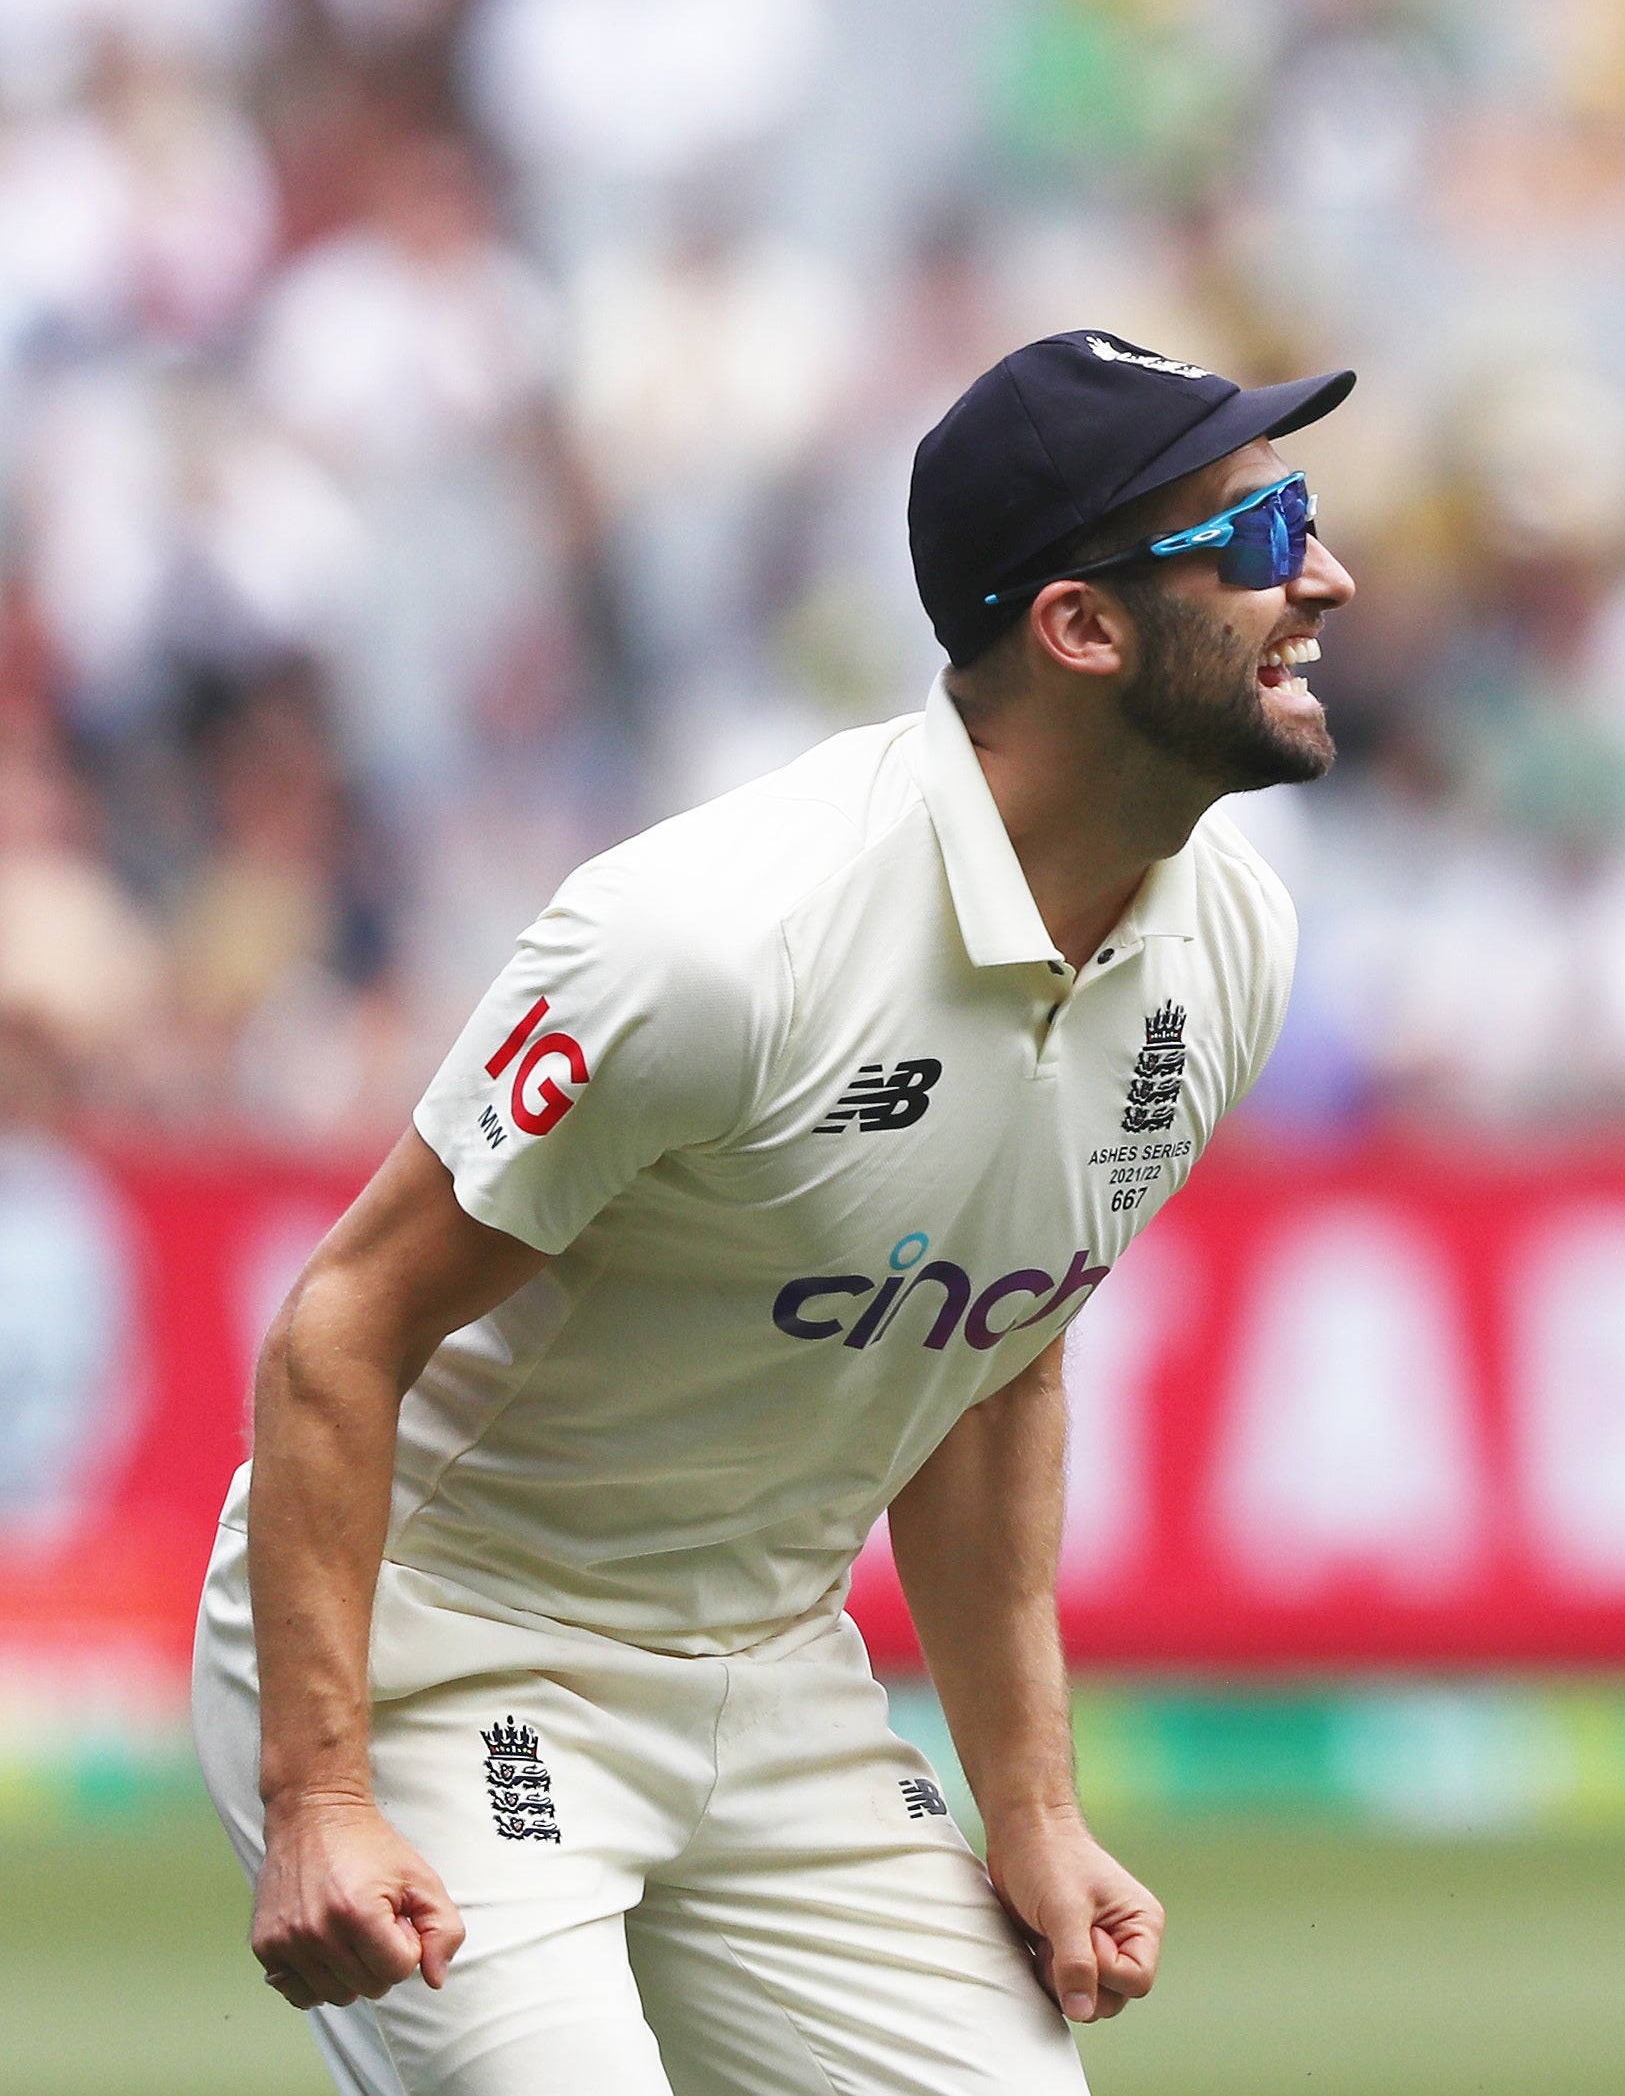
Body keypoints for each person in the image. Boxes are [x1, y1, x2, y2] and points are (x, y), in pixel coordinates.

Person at [197, 330, 1358, 2094]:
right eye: (1263, 530)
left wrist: (1030, 1807)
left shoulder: (1229, 941)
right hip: (458, 1650)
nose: (1326, 575)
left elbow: (994, 1359)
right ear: (1082, 626)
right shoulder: (717, 938)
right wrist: (321, 1792)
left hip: (777, 1672)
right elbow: (337, 1329)